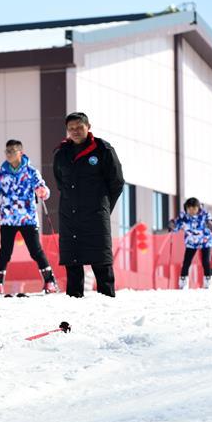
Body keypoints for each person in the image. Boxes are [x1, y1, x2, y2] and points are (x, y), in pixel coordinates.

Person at [52, 112, 124, 297]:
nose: (75, 131)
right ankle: (74, 304)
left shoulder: (103, 150)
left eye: (79, 127)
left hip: (95, 216)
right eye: (71, 128)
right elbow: (60, 182)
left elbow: (116, 182)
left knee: (101, 262)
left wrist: (104, 207)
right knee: (73, 263)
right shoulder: (61, 153)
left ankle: (107, 303)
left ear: (88, 126)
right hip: (70, 216)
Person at [0, 139, 58, 296]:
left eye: (12, 151)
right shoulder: (1, 173)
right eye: (7, 151)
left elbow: (44, 189)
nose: (9, 154)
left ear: (21, 152)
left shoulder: (31, 172)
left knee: (35, 250)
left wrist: (42, 192)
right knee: (5, 251)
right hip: (8, 218)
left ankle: (49, 281)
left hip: (28, 218)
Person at [168, 197, 212, 289]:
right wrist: (172, 225)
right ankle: (183, 282)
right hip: (191, 242)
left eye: (194, 208)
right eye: (189, 209)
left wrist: (211, 225)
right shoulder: (184, 217)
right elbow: (177, 225)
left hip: (204, 240)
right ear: (186, 208)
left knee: (206, 261)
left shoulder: (205, 215)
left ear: (198, 208)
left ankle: (208, 281)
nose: (192, 211)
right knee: (186, 262)